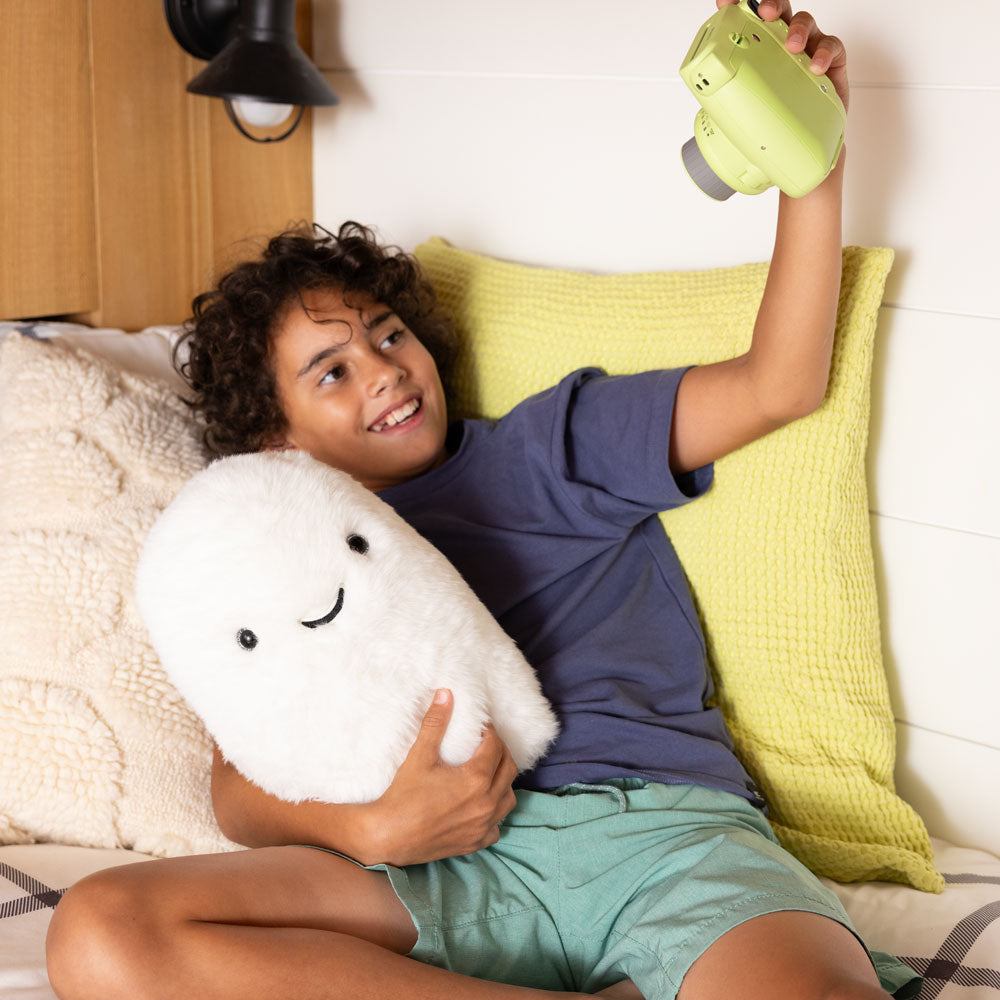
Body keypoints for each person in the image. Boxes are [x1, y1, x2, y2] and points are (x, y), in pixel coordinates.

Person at [45, 3, 921, 998]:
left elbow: (779, 384)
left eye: (386, 334)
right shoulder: (279, 556)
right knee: (100, 932)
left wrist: (814, 167)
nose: (383, 369)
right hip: (442, 872)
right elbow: (236, 786)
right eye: (332, 372)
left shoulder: (554, 444)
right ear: (274, 439)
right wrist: (369, 828)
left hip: (665, 840)